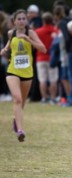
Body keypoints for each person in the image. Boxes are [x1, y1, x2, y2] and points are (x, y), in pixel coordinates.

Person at [0, 9, 46, 141]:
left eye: (23, 19)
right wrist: (4, 50)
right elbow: (9, 45)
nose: (21, 21)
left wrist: (28, 39)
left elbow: (43, 49)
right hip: (12, 70)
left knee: (22, 102)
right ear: (14, 21)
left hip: (27, 72)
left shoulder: (31, 33)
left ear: (27, 21)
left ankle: (16, 119)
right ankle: (20, 131)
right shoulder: (11, 33)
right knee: (17, 98)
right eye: (18, 19)